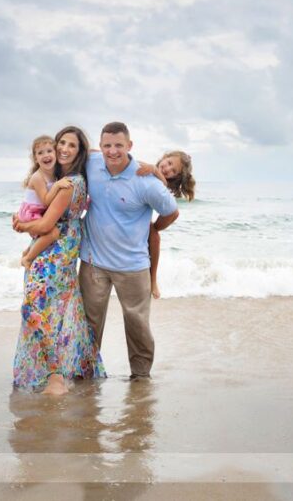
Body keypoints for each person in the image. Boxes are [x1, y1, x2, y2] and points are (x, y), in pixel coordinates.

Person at [79, 121, 180, 380]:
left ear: (130, 146)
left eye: (119, 146)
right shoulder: (92, 163)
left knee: (137, 325)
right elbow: (74, 154)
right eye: (107, 146)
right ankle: (87, 373)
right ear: (100, 146)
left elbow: (171, 211)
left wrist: (154, 228)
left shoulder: (146, 181)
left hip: (133, 266)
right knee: (89, 322)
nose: (112, 151)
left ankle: (141, 377)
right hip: (93, 262)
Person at [11, 126, 106, 395]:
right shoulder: (65, 179)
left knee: (34, 305)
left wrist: (23, 226)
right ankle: (75, 368)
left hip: (56, 247)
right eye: (61, 143)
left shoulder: (69, 184)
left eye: (71, 146)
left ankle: (54, 375)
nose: (64, 149)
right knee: (62, 306)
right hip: (64, 244)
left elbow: (47, 225)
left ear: (79, 152)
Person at [18, 135, 74, 268]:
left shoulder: (54, 172)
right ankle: (28, 258)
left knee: (46, 232)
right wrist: (57, 185)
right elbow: (46, 201)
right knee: (53, 232)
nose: (46, 155)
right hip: (30, 212)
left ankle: (27, 251)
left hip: (38, 210)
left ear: (56, 153)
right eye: (40, 153)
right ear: (35, 158)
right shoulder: (38, 177)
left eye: (49, 151)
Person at [148, 150, 195, 299]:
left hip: (142, 219)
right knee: (153, 233)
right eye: (168, 163)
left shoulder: (161, 182)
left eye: (173, 170)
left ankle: (153, 279)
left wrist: (155, 228)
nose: (167, 169)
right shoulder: (150, 170)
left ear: (176, 177)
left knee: (154, 236)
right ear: (164, 157)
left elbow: (173, 213)